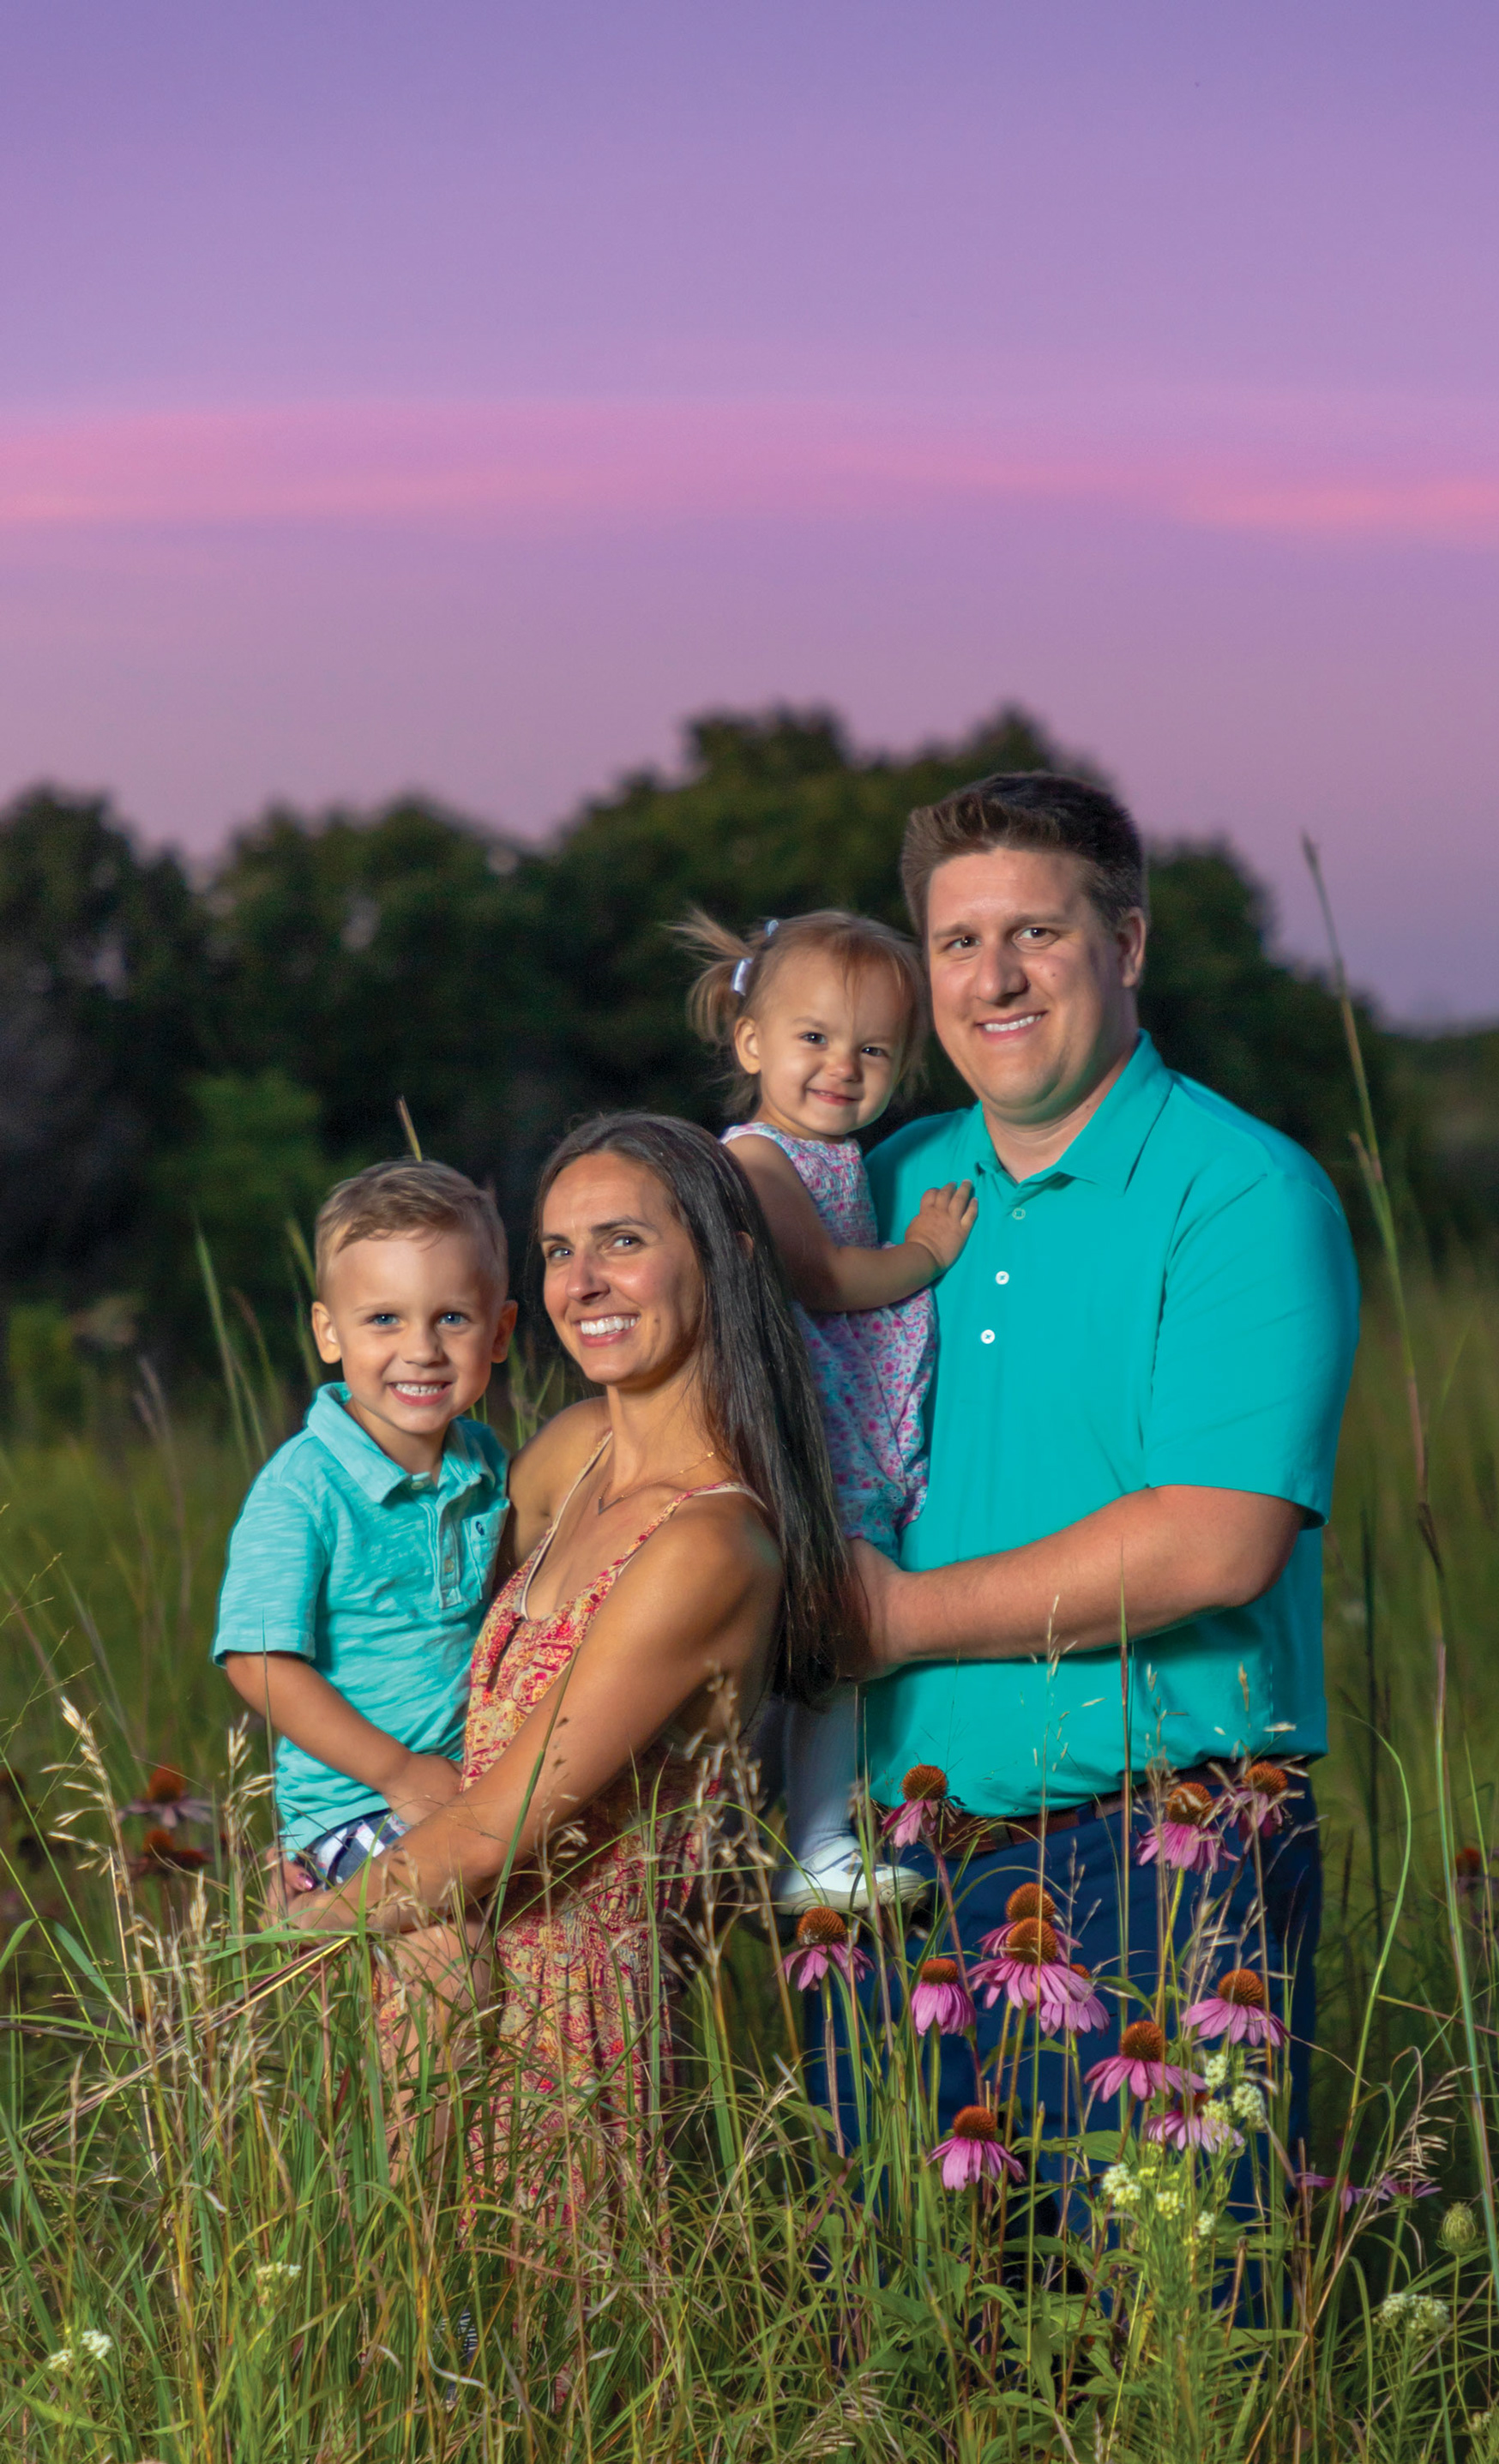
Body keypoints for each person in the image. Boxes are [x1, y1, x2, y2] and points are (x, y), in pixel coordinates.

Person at [849, 770, 1360, 2168]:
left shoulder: (1240, 1193)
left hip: (1164, 1858)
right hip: (891, 1864)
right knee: (906, 2335)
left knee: (1178, 2323)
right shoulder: (879, 1189)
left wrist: (889, 1618)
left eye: (1037, 933)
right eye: (958, 942)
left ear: (1125, 945)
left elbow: (1215, 1543)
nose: (993, 978)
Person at [288, 1115, 857, 2223]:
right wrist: (323, 1823)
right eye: (555, 1250)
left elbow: (507, 1824)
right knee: (405, 2349)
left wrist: (298, 1929)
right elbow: (427, 1669)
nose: (581, 1281)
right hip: (438, 1960)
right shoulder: (566, 1454)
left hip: (573, 2023)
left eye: (623, 1242)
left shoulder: (712, 1540)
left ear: (726, 1252)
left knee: (534, 2370)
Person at [677, 906, 976, 1908]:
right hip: (808, 1436)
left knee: (805, 1655)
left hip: (830, 1425)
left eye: (874, 1048)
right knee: (839, 1646)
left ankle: (742, 1830)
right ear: (751, 1040)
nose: (842, 1066)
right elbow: (822, 1276)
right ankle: (817, 1845)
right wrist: (925, 1257)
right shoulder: (760, 1158)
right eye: (813, 1038)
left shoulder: (828, 1154)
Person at [215, 1160, 517, 1892]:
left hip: (471, 1789)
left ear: (500, 1331)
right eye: (384, 1318)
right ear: (328, 1331)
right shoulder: (304, 1486)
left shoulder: (483, 1459)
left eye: (452, 1316)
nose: (422, 1348)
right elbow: (258, 1660)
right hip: (357, 1806)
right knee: (450, 1959)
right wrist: (397, 1771)